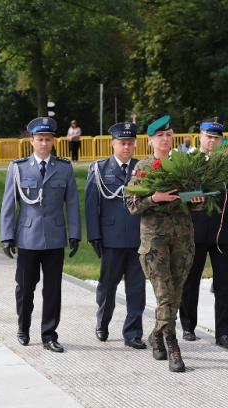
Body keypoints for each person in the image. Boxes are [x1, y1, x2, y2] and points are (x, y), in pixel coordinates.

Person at [126, 115, 204, 373]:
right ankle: (172, 344)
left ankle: (156, 334)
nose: (164, 139)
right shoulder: (143, 167)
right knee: (164, 293)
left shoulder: (182, 165)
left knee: (177, 291)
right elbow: (132, 205)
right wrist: (154, 198)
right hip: (155, 242)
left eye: (168, 135)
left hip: (182, 239)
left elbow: (196, 198)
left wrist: (197, 200)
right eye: (159, 135)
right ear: (150, 140)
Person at [0, 117, 81, 353]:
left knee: (53, 289)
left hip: (55, 238)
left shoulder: (64, 168)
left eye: (48, 139)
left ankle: (49, 335)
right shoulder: (18, 167)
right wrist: (7, 236)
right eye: (40, 139)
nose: (44, 143)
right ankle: (23, 328)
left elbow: (73, 203)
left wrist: (74, 234)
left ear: (53, 141)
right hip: (27, 238)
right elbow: (8, 204)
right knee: (25, 287)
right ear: (32, 141)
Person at [180, 117, 228, 349]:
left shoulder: (227, 164)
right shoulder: (188, 161)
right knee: (190, 282)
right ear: (200, 137)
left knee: (224, 284)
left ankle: (223, 333)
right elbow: (179, 195)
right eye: (209, 137)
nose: (212, 142)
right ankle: (187, 326)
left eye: (217, 138)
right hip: (194, 231)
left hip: (221, 232)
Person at [85, 122, 146, 350]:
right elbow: (92, 206)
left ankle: (133, 333)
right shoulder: (100, 169)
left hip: (139, 239)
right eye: (122, 143)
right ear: (113, 144)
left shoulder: (143, 168)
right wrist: (94, 237)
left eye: (130, 143)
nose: (127, 147)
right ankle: (102, 323)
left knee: (136, 287)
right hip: (110, 239)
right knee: (107, 286)